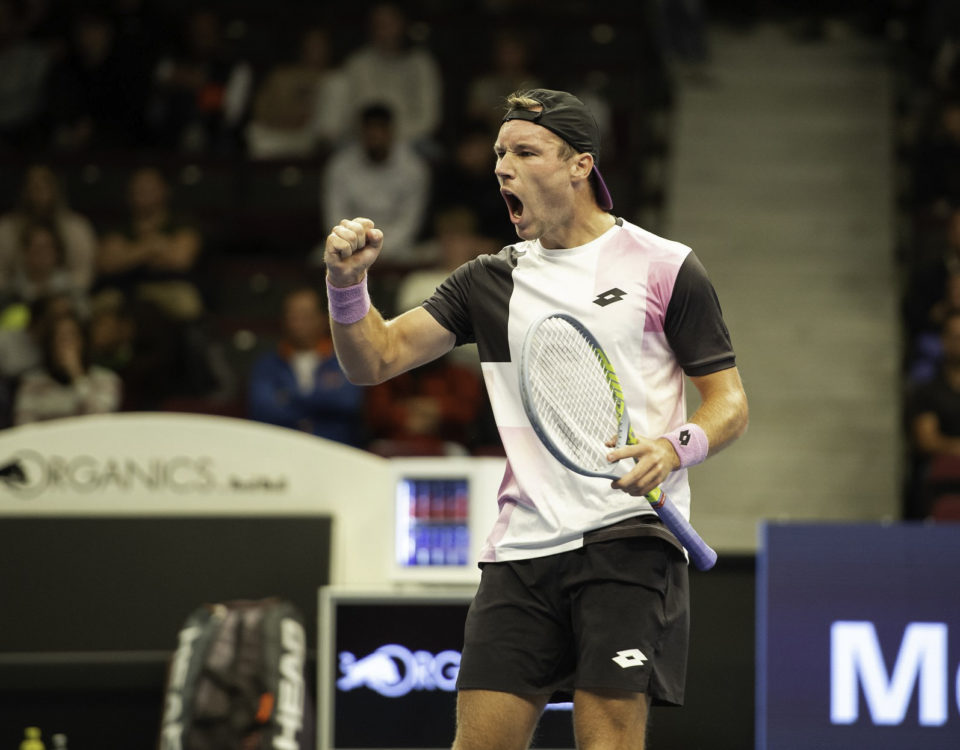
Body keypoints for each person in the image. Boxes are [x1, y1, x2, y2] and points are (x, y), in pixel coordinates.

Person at [322, 89, 748, 749]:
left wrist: (674, 447)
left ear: (581, 165)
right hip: (521, 551)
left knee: (607, 740)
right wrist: (347, 286)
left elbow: (729, 403)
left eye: (525, 151)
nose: (502, 167)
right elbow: (373, 360)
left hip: (628, 541)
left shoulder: (665, 265)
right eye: (500, 153)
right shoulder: (487, 281)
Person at [247, 286, 365, 446]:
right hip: (283, 447)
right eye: (293, 316)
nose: (298, 323)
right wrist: (322, 403)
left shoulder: (344, 361)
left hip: (336, 447)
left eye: (305, 316)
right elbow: (263, 408)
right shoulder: (267, 365)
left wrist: (288, 398)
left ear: (323, 318)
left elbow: (348, 401)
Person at [317, 103, 430, 266]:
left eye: (380, 130)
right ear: (361, 132)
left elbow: (409, 222)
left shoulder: (413, 168)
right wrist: (355, 248)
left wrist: (379, 250)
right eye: (370, 131)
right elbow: (334, 217)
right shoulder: (339, 167)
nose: (376, 137)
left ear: (391, 131)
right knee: (320, 262)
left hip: (399, 251)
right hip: (349, 248)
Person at [0, 164, 98, 299]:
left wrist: (58, 295)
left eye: (45, 183)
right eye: (33, 184)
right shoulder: (6, 229)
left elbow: (83, 273)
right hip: (17, 296)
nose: (38, 189)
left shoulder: (77, 228)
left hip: (65, 298)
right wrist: (20, 294)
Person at [13, 309, 122, 425]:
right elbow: (24, 426)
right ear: (50, 344)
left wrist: (77, 375)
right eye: (59, 338)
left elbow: (100, 419)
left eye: (71, 337)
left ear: (84, 342)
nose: (65, 345)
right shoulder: (32, 383)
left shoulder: (106, 379)